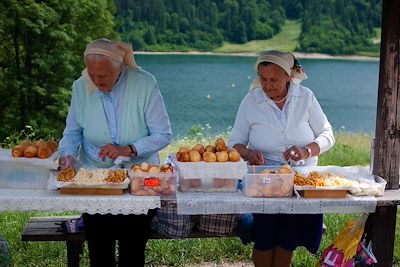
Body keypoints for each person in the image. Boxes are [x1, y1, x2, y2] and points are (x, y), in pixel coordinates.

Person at [58, 38, 172, 267]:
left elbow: (163, 134)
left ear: (119, 67)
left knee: (132, 250)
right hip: (95, 180)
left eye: (103, 76)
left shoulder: (145, 83)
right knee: (99, 251)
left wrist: (129, 149)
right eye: (92, 74)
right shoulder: (81, 86)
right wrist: (67, 154)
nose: (97, 81)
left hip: (139, 179)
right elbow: (72, 133)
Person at [228, 50, 335, 267]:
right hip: (264, 182)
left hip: (302, 182)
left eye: (273, 80)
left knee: (288, 236)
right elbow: (234, 145)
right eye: (263, 79)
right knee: (265, 234)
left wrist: (306, 151)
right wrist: (249, 153)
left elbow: (328, 135)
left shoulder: (305, 97)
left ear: (288, 76)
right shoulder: (251, 102)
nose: (267, 85)